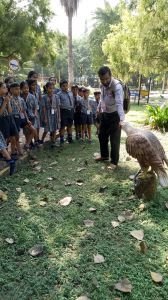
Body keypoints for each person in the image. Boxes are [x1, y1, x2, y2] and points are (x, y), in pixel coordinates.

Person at [96, 66, 125, 169]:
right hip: (105, 114)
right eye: (102, 79)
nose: (105, 81)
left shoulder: (117, 87)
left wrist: (121, 120)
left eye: (107, 79)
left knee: (114, 140)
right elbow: (102, 98)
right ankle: (104, 155)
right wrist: (99, 107)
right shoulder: (102, 85)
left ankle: (114, 162)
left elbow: (119, 103)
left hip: (115, 115)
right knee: (101, 135)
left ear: (110, 76)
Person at [0, 82, 18, 159]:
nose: (6, 89)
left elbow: (10, 111)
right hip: (2, 120)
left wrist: (8, 102)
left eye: (6, 87)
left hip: (8, 118)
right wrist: (4, 102)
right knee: (4, 137)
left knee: (13, 135)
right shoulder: (2, 100)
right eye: (3, 87)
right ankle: (4, 155)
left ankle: (11, 153)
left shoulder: (4, 98)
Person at [41, 82, 60, 146]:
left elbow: (58, 107)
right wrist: (45, 117)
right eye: (50, 88)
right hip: (47, 113)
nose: (51, 90)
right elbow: (43, 108)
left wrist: (59, 117)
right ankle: (41, 140)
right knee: (46, 129)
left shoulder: (56, 97)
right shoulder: (44, 97)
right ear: (46, 88)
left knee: (54, 128)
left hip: (55, 114)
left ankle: (53, 140)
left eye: (52, 88)